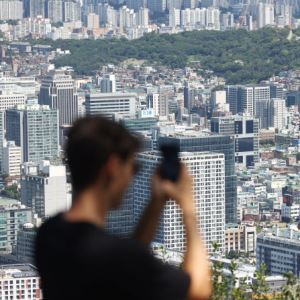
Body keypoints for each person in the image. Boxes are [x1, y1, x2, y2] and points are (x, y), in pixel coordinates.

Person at [35, 116, 212, 300]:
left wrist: (156, 204)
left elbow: (129, 265)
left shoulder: (50, 234)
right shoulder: (116, 256)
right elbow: (198, 291)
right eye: (133, 167)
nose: (131, 177)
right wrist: (189, 208)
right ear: (113, 166)